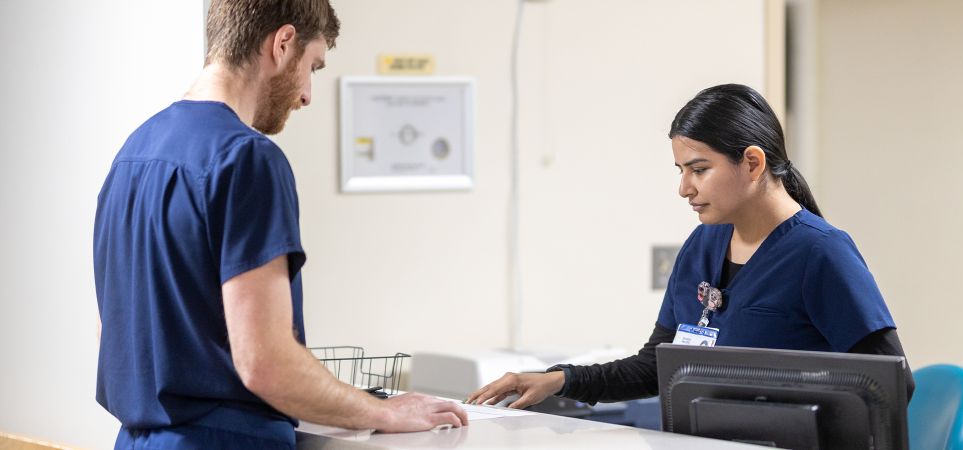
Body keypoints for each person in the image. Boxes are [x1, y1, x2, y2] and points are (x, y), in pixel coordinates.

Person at [93, 1, 466, 448]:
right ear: (283, 43)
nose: (307, 93)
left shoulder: (133, 154)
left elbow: (111, 334)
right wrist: (382, 410)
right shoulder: (247, 158)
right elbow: (265, 363)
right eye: (313, 66)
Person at [466, 83, 915, 409]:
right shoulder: (703, 245)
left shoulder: (820, 253)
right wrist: (560, 380)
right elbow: (658, 368)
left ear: (752, 162)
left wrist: (776, 398)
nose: (684, 188)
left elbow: (891, 383)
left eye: (699, 169)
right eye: (680, 170)